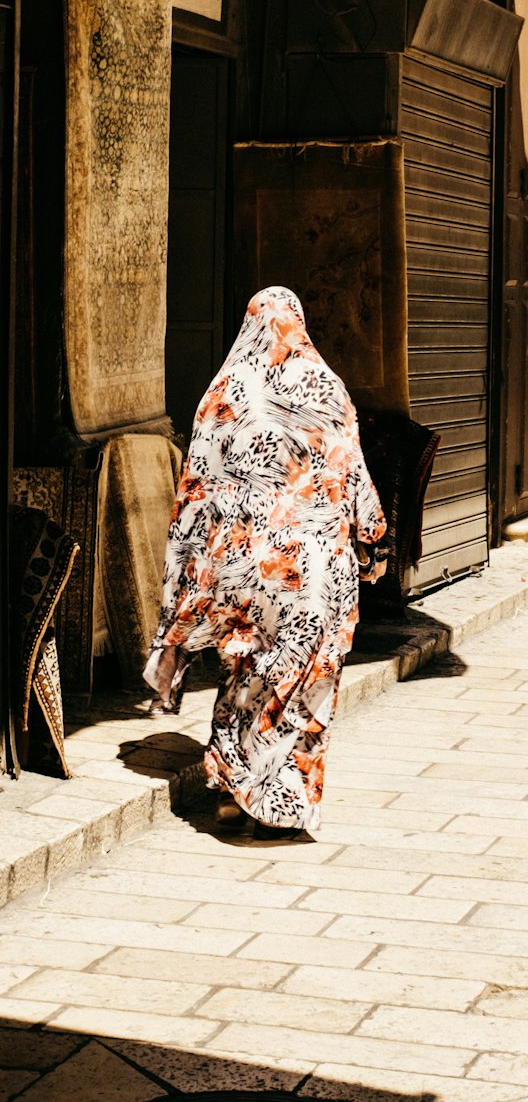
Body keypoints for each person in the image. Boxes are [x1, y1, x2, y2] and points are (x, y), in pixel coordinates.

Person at [144, 286, 387, 839]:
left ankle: (234, 783)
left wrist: (192, 568)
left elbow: (197, 486)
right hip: (318, 570)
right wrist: (371, 533)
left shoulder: (226, 390)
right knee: (304, 681)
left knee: (247, 668)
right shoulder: (327, 388)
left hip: (246, 565)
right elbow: (355, 479)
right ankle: (279, 796)